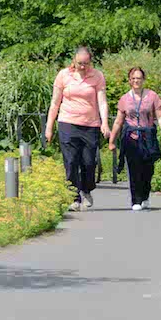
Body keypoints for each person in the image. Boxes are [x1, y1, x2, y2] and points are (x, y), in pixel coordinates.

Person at [45, 46, 109, 211]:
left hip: (90, 124)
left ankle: (86, 189)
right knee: (71, 161)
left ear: (90, 62)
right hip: (67, 122)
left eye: (86, 63)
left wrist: (105, 123)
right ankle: (74, 196)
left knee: (89, 162)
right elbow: (55, 103)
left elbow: (102, 102)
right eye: (80, 63)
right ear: (74, 60)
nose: (83, 66)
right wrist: (49, 127)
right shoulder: (63, 75)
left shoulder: (97, 76)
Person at [109, 67, 161, 211]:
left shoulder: (152, 96)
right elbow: (118, 121)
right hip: (131, 137)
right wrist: (112, 140)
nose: (136, 81)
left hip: (147, 137)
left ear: (143, 79)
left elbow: (160, 116)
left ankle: (145, 195)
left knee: (148, 169)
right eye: (133, 78)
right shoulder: (124, 99)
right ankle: (135, 200)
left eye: (139, 78)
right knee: (134, 168)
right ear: (129, 80)